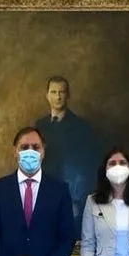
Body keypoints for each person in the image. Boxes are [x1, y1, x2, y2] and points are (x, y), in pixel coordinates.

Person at [0, 127, 75, 256]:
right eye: (24, 147)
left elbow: (67, 239)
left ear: (43, 152)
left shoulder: (59, 190)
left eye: (36, 147)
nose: (30, 152)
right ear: (15, 152)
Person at [35, 76, 100, 236]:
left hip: (70, 197)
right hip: (43, 195)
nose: (58, 97)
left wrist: (76, 201)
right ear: (47, 95)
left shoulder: (81, 127)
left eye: (62, 92)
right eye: (54, 92)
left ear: (68, 95)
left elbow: (85, 169)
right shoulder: (40, 126)